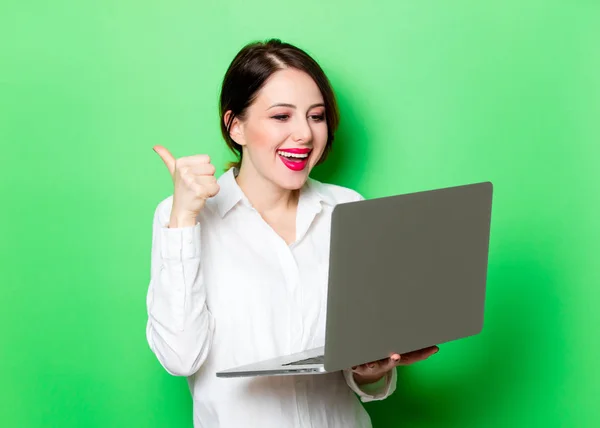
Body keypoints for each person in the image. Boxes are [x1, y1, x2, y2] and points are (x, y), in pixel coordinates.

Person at [146, 38, 439, 428]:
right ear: (236, 127)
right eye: (282, 116)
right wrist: (183, 218)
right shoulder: (182, 218)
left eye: (316, 116)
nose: (304, 133)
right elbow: (179, 357)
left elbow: (363, 373)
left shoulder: (348, 209)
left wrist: (371, 369)